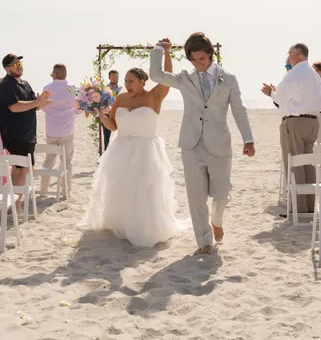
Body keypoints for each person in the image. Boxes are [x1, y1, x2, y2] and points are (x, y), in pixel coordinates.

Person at [150, 33, 255, 255]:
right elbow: (156, 75)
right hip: (191, 143)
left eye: (202, 59)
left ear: (210, 55)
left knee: (222, 195)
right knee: (196, 197)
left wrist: (248, 139)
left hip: (219, 143)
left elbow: (238, 110)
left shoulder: (229, 79)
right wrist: (159, 50)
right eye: (194, 60)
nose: (199, 64)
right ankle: (204, 242)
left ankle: (217, 221)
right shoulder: (184, 78)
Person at [79, 60, 189, 247]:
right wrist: (100, 114)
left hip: (146, 151)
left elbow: (168, 76)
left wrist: (167, 53)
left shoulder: (154, 96)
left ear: (142, 81)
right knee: (121, 187)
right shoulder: (120, 99)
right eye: (126, 81)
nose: (127, 85)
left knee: (142, 187)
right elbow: (113, 126)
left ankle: (143, 225)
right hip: (120, 150)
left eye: (131, 81)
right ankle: (122, 222)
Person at [262, 43, 321, 215]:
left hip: (296, 122)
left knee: (294, 164)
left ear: (298, 55)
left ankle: (298, 208)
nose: (289, 57)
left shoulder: (296, 73)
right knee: (307, 163)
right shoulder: (315, 75)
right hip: (313, 121)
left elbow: (280, 97)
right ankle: (309, 207)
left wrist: (271, 92)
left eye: (290, 54)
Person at [0, 54, 53, 200]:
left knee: (25, 170)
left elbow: (32, 105)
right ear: (7, 69)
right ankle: (15, 205)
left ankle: (15, 204)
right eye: (15, 64)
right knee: (20, 170)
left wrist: (40, 102)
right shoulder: (6, 84)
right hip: (15, 135)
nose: (19, 66)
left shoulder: (25, 84)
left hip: (28, 135)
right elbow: (14, 107)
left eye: (20, 63)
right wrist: (36, 103)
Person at [41, 64, 77, 194]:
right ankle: (65, 190)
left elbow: (44, 107)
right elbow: (78, 109)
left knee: (49, 159)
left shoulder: (47, 88)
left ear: (55, 74)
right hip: (67, 130)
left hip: (51, 130)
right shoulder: (73, 89)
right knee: (66, 161)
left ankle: (43, 190)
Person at [102, 70, 121, 149]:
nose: (115, 79)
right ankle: (106, 154)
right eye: (113, 77)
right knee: (107, 136)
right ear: (109, 77)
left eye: (116, 77)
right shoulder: (104, 89)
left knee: (118, 136)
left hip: (118, 115)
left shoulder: (121, 89)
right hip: (107, 115)